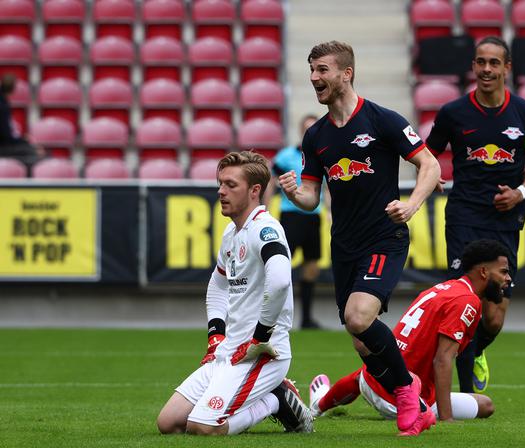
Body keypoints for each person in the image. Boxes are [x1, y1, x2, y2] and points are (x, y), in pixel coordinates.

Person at [279, 41, 441, 436]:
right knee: (361, 341)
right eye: (311, 70)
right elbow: (310, 198)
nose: (314, 77)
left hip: (385, 238)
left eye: (322, 70)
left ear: (345, 74)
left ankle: (405, 391)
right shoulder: (316, 136)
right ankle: (418, 404)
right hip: (345, 245)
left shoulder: (381, 120)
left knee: (357, 317)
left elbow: (430, 164)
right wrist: (292, 191)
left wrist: (412, 204)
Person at [157, 152, 314, 436]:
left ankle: (275, 400)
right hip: (231, 349)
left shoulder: (266, 229)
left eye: (231, 185)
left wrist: (261, 336)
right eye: (220, 183)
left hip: (265, 353)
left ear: (255, 191)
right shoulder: (232, 233)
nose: (221, 191)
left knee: (204, 427)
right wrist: (215, 334)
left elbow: (280, 281)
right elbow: (217, 285)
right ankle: (273, 396)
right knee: (168, 423)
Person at [425, 36, 525, 394]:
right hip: (463, 216)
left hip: (505, 221)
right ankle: (465, 396)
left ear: (507, 68)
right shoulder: (452, 113)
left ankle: (475, 351)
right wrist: (431, 178)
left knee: (493, 316)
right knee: (465, 301)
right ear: (473, 67)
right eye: (481, 62)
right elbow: (427, 155)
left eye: (494, 63)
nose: (487, 69)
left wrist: (520, 192)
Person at [308, 239, 509, 426]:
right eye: (503, 272)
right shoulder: (468, 300)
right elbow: (442, 361)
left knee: (374, 370)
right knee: (486, 405)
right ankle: (323, 402)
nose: (508, 279)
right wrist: (447, 419)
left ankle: (320, 404)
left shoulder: (445, 288)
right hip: (406, 400)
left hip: (374, 379)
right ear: (483, 272)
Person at [270, 113, 324, 329]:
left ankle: (306, 319)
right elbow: (272, 183)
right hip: (290, 215)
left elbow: (327, 187)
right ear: (302, 131)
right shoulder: (285, 156)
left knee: (311, 267)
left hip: (313, 216)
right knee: (280, 266)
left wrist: (329, 209)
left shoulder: (322, 156)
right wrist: (264, 210)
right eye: (307, 128)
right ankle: (272, 318)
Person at [0, 73, 43, 171]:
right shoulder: (2, 106)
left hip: (5, 143)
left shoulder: (3, 102)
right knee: (33, 152)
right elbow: (6, 135)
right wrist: (24, 142)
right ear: (13, 88)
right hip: (3, 146)